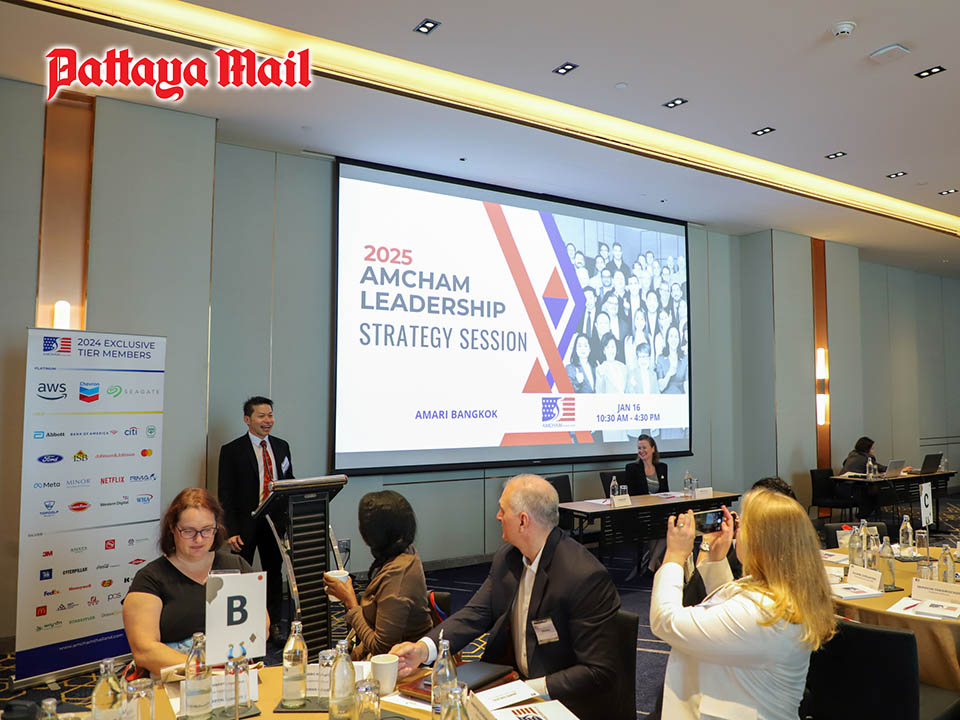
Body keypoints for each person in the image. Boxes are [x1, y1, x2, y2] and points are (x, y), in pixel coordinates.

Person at [390, 475, 621, 720]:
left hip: (561, 700)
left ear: (523, 521)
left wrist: (524, 690)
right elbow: (475, 614)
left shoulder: (583, 576)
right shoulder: (509, 558)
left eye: (502, 510)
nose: (498, 516)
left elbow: (598, 671)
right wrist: (422, 650)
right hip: (512, 685)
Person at [650, 487, 836, 720]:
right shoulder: (781, 595)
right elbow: (727, 611)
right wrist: (716, 559)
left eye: (742, 525)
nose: (737, 531)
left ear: (761, 542)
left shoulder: (762, 613)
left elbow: (665, 621)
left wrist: (674, 557)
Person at [123, 488, 255, 674]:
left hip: (232, 672)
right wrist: (204, 669)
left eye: (207, 530)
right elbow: (145, 652)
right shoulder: (150, 579)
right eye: (188, 531)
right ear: (172, 528)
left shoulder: (236, 565)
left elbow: (260, 629)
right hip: (175, 676)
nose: (199, 539)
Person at [218, 395, 295, 645]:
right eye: (261, 416)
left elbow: (289, 481)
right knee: (241, 574)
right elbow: (225, 493)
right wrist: (230, 530)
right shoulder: (232, 451)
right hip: (244, 524)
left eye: (270, 415)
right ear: (247, 419)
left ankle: (274, 625)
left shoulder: (281, 446)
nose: (268, 420)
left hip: (274, 522)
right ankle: (239, 628)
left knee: (273, 573)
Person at [323, 491, 433, 659]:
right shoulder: (405, 551)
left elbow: (382, 650)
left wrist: (350, 602)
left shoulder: (397, 579)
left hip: (403, 665)